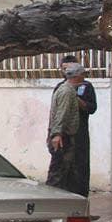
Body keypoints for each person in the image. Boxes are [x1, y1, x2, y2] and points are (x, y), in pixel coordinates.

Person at [54, 55, 98, 196]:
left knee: (80, 167)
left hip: (80, 133)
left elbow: (92, 108)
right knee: (61, 169)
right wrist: (56, 133)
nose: (68, 70)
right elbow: (58, 113)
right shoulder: (62, 88)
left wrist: (77, 100)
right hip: (64, 134)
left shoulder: (86, 86)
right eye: (65, 68)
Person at [47, 63, 86, 193]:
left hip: (66, 136)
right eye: (83, 74)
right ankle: (51, 199)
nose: (84, 77)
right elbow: (61, 113)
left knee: (66, 171)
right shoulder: (67, 91)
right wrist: (57, 134)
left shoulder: (68, 89)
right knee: (58, 171)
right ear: (77, 75)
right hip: (64, 137)